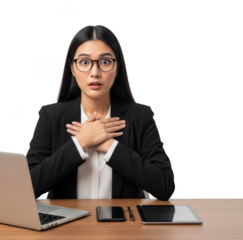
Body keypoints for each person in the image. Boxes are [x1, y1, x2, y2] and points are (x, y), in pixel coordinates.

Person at [26, 24, 175, 200]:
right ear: (72, 68)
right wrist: (81, 142)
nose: (94, 73)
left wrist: (109, 146)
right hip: (67, 226)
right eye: (84, 62)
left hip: (123, 225)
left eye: (105, 62)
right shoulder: (51, 116)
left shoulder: (140, 116)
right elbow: (27, 187)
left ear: (117, 67)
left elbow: (165, 186)